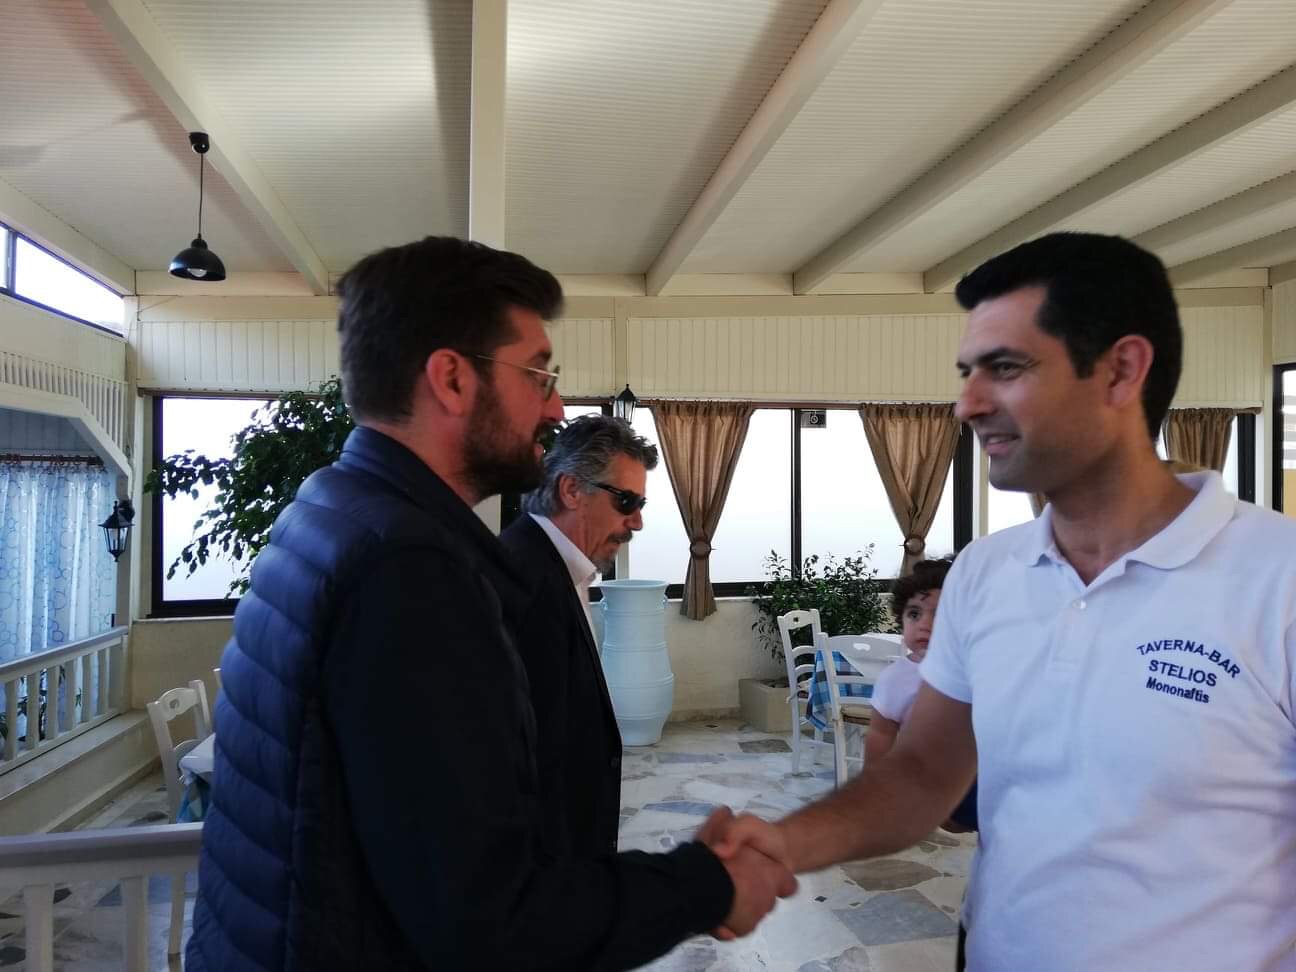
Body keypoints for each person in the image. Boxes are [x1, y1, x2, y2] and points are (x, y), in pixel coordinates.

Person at [186, 236, 795, 972]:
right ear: (451, 378)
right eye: (538, 373)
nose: (555, 405)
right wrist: (705, 887)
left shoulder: (330, 506)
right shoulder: (411, 569)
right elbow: (487, 919)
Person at [704, 232, 1296, 969]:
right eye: (968, 373)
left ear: (1121, 371)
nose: (968, 404)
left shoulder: (1277, 580)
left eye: (1006, 368)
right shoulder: (985, 573)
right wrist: (784, 843)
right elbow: (922, 772)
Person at [500, 414, 656, 858]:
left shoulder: (565, 573)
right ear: (571, 491)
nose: (637, 522)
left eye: (642, 504)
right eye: (626, 501)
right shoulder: (521, 582)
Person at [865, 556, 975, 834]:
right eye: (914, 614)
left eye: (940, 614)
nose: (924, 624)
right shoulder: (895, 679)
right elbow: (880, 734)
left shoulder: (980, 668)